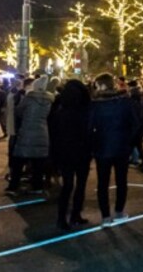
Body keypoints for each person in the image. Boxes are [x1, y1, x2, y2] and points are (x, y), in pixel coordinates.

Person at [90, 73, 139, 227]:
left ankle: (105, 216)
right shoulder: (124, 102)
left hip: (102, 147)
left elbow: (89, 127)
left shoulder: (95, 105)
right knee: (121, 181)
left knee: (103, 183)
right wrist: (129, 141)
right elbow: (135, 124)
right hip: (121, 147)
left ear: (102, 86)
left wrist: (94, 143)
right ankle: (119, 211)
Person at [49, 79, 92, 230]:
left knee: (67, 186)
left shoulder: (60, 109)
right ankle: (76, 214)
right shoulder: (85, 109)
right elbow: (90, 131)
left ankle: (62, 218)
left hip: (65, 151)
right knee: (80, 185)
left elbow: (53, 133)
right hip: (82, 151)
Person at [8, 76, 54, 196]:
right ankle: (37, 186)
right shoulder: (49, 100)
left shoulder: (29, 98)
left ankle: (13, 186)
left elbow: (19, 112)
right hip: (42, 132)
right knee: (38, 162)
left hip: (27, 131)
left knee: (19, 160)